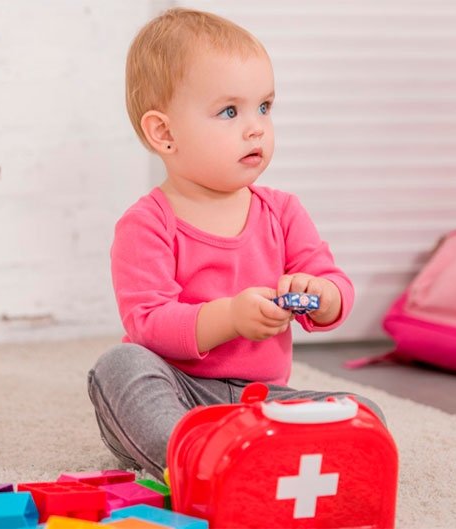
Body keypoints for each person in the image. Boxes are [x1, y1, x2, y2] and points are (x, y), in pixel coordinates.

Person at [87, 7, 386, 482]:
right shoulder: (146, 224)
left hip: (262, 402)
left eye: (264, 107)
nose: (256, 128)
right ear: (164, 133)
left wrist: (322, 294)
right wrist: (229, 318)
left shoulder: (283, 211)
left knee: (362, 412)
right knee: (119, 367)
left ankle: (248, 460)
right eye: (230, 111)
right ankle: (195, 459)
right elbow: (148, 324)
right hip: (180, 395)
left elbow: (335, 288)